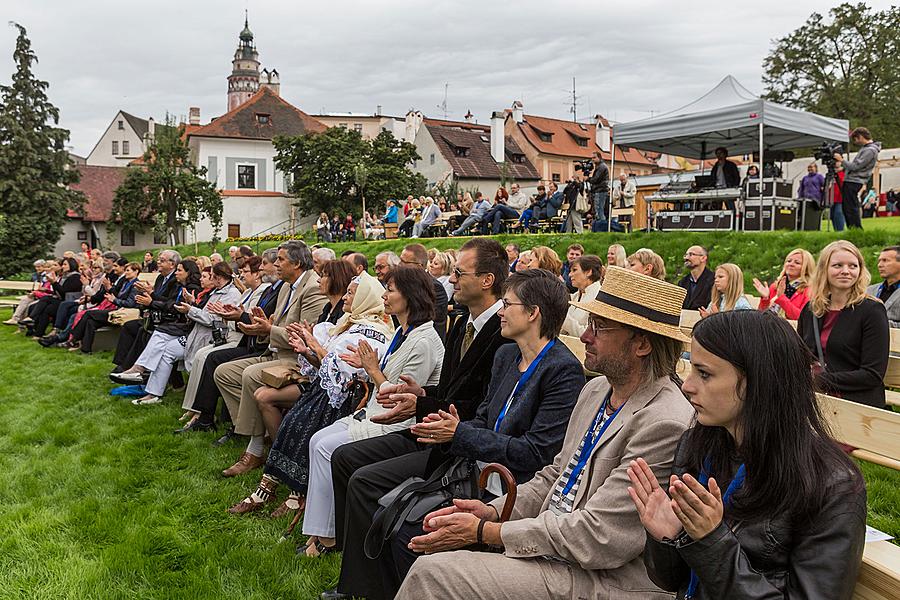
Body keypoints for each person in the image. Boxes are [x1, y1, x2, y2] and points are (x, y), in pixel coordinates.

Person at [393, 266, 694, 600]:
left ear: (641, 344)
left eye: (600, 328)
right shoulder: (596, 390)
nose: (584, 336)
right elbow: (555, 473)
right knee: (428, 549)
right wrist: (494, 510)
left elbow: (601, 536)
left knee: (432, 574)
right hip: (559, 553)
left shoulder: (664, 421)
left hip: (603, 579)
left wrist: (489, 531)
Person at [326, 269, 585, 599]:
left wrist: (458, 433)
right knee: (389, 515)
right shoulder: (507, 355)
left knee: (406, 530)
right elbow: (483, 417)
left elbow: (535, 454)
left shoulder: (562, 371)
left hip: (512, 488)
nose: (501, 311)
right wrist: (445, 429)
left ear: (533, 313)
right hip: (472, 471)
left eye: (507, 304)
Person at [632, 310, 866, 600]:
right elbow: (670, 581)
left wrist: (711, 542)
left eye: (704, 373)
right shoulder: (698, 446)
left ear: (759, 381)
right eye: (691, 369)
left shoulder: (831, 484)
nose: (687, 385)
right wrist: (668, 538)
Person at [328, 239, 513, 575]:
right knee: (344, 459)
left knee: (362, 478)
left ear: (486, 280)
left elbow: (481, 405)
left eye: (459, 272)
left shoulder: (503, 333)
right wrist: (422, 394)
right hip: (436, 427)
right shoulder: (462, 323)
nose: (452, 279)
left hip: (457, 442)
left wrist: (422, 403)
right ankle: (349, 553)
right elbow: (452, 390)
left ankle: (365, 578)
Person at [299, 266, 444, 556]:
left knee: (327, 448)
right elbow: (385, 379)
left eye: (390, 290)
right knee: (317, 440)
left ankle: (328, 538)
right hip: (374, 412)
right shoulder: (404, 333)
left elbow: (400, 398)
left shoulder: (424, 341)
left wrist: (373, 370)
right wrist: (367, 371)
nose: (384, 296)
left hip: (397, 423)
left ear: (410, 297)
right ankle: (320, 531)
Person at [226, 272, 392, 518]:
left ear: (364, 298)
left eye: (351, 293)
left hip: (350, 400)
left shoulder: (370, 331)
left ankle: (294, 492)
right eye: (346, 292)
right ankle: (269, 486)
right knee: (293, 421)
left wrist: (314, 346)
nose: (346, 297)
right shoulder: (350, 322)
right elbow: (325, 368)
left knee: (300, 423)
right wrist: (308, 351)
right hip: (325, 393)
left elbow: (343, 374)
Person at [214, 241, 329, 477]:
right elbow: (276, 326)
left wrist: (268, 330)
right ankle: (262, 430)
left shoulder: (312, 288)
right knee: (223, 373)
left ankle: (255, 450)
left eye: (280, 259)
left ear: (296, 263)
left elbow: (306, 337)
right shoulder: (287, 286)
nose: (276, 264)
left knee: (251, 375)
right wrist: (257, 327)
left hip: (297, 360)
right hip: (274, 353)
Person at [175, 249, 283, 437]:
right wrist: (231, 314)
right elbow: (240, 316)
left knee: (212, 358)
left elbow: (251, 318)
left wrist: (234, 315)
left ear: (256, 274)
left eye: (245, 272)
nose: (241, 276)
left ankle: (212, 418)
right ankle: (200, 412)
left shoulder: (263, 291)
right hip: (245, 338)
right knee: (206, 357)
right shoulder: (253, 291)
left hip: (252, 342)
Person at [797, 240, 889, 408]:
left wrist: (820, 380)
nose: (846, 271)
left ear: (860, 270)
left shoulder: (872, 311)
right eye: (838, 265)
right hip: (815, 401)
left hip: (856, 404)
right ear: (824, 269)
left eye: (853, 266)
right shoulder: (811, 310)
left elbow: (872, 374)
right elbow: (801, 356)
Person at [114, 260, 211, 405]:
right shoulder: (182, 286)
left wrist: (153, 300)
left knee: (158, 332)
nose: (176, 273)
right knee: (161, 344)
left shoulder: (194, 289)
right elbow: (171, 303)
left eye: (179, 270)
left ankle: (140, 371)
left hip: (197, 334)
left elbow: (177, 307)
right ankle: (152, 391)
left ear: (188, 272)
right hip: (187, 328)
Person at [68, 261, 141, 354]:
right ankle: (86, 350)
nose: (125, 272)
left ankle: (74, 337)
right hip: (118, 310)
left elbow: (130, 303)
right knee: (91, 322)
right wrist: (111, 292)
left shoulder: (136, 285)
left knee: (88, 313)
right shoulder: (126, 283)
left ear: (136, 271)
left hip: (124, 314)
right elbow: (118, 295)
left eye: (128, 270)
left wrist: (114, 300)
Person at [400, 244, 448, 342]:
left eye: (405, 262)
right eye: (400, 260)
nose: (399, 265)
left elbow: (430, 323)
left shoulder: (434, 288)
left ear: (419, 266)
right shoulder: (400, 284)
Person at [836, 127, 881, 229]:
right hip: (853, 180)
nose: (855, 142)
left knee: (850, 207)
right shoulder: (867, 149)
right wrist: (843, 169)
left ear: (860, 137)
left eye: (855, 139)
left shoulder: (870, 150)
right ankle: (854, 229)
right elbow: (857, 166)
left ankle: (856, 229)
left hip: (854, 181)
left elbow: (856, 166)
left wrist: (841, 160)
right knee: (848, 206)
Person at [25, 257, 82, 337]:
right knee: (45, 307)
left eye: (65, 264)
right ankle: (37, 331)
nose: (63, 266)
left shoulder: (75, 277)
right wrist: (53, 283)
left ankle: (33, 321)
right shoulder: (64, 276)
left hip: (69, 301)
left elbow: (63, 292)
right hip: (61, 299)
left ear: (72, 265)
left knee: (46, 302)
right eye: (63, 264)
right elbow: (57, 292)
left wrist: (54, 282)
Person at [753, 248, 815, 320]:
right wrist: (765, 299)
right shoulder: (775, 286)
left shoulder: (809, 290)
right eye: (789, 261)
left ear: (806, 268)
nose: (791, 264)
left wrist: (782, 298)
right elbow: (761, 316)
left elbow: (802, 318)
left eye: (797, 263)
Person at [560, 254, 603, 337]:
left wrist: (563, 317)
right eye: (570, 271)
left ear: (588, 272)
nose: (570, 275)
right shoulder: (575, 296)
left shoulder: (598, 298)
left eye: (574, 270)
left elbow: (590, 336)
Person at [868, 246, 900, 328]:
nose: (879, 265)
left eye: (885, 260)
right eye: (879, 261)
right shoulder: (868, 290)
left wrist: (878, 323)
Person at [678, 246, 715, 311]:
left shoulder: (713, 280)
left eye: (691, 254)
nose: (686, 258)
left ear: (703, 258)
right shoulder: (683, 282)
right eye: (686, 255)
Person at [587, 151, 610, 229]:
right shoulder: (600, 166)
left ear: (599, 158)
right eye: (592, 158)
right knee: (598, 210)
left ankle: (602, 228)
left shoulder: (602, 167)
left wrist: (588, 179)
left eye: (594, 157)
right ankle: (600, 228)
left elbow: (596, 179)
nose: (592, 160)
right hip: (599, 190)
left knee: (599, 211)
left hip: (601, 190)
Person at [562, 166, 586, 233]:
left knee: (577, 220)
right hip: (570, 205)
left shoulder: (580, 184)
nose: (573, 178)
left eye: (574, 177)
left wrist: (575, 182)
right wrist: (569, 184)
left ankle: (580, 232)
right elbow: (565, 191)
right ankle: (568, 232)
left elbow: (580, 188)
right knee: (568, 221)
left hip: (575, 204)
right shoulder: (571, 185)